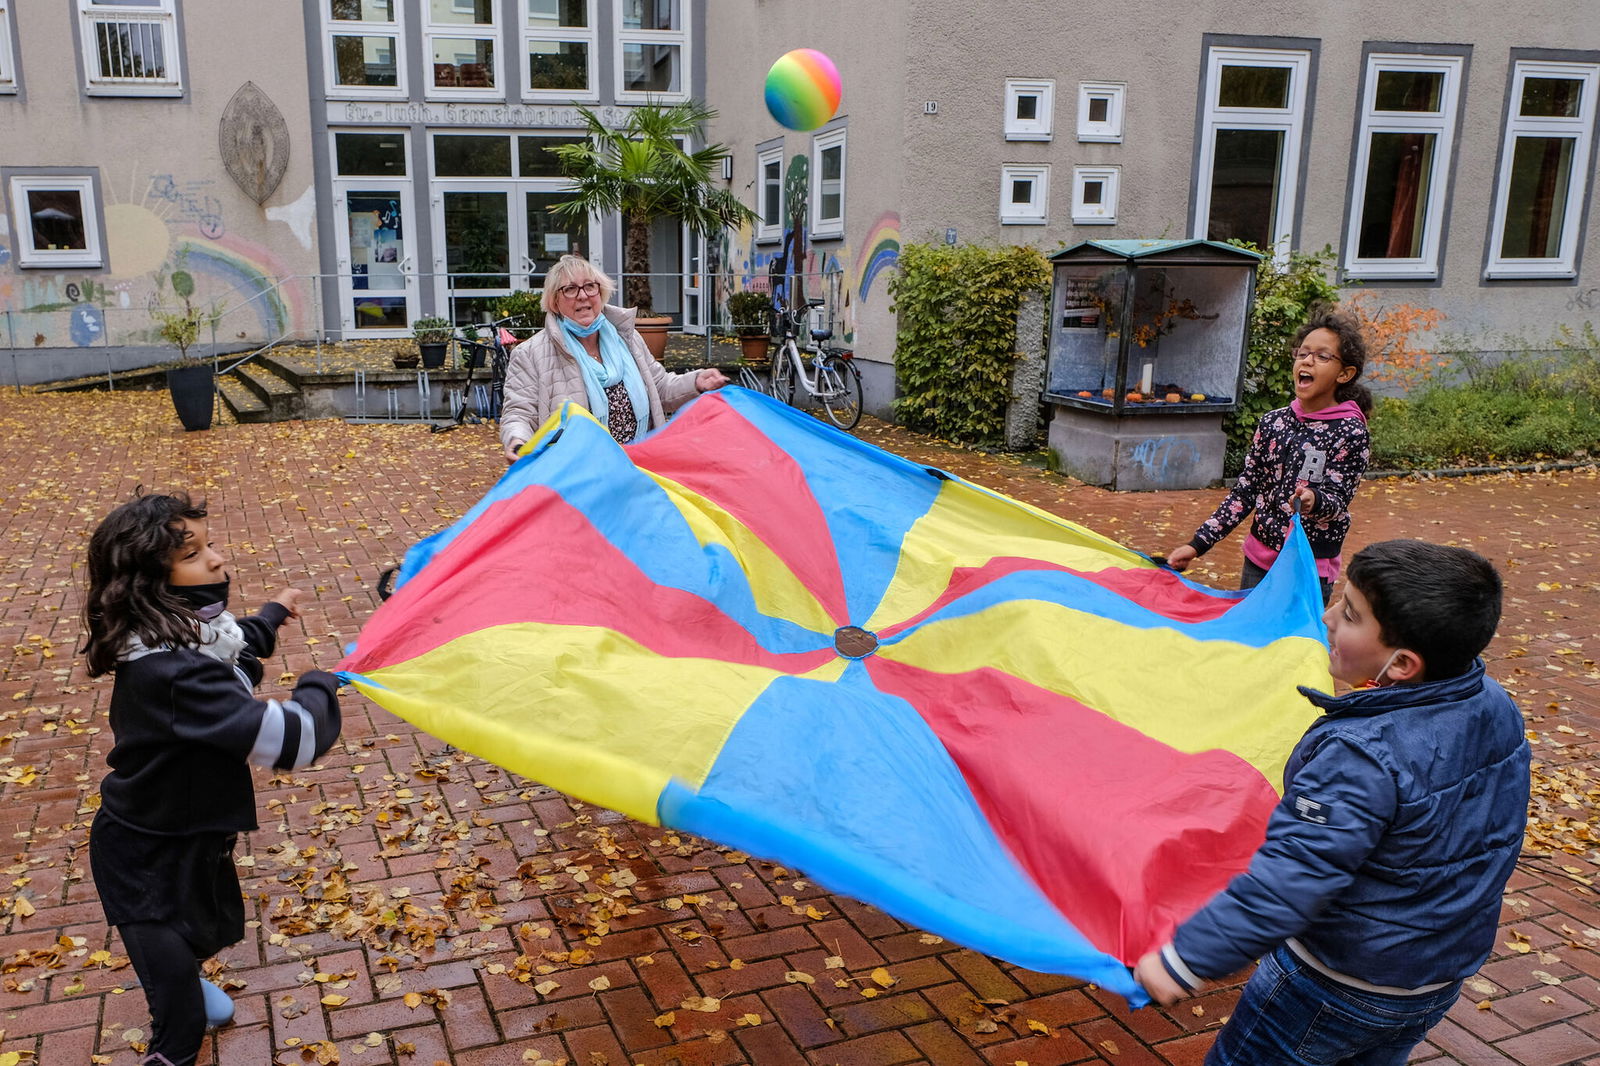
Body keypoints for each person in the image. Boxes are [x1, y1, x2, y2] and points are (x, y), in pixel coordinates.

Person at [1134, 539, 1530, 1066]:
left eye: (1349, 614)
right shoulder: (1493, 703)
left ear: (1403, 662)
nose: (1326, 617)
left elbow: (1295, 875)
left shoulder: (1360, 755)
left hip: (1332, 986)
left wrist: (1188, 959)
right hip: (1434, 977)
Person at [83, 492, 341, 1066]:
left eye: (211, 544)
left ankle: (183, 978)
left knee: (203, 929)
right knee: (180, 1020)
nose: (218, 560)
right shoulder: (172, 673)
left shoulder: (182, 639)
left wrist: (273, 612)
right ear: (153, 582)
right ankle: (173, 1037)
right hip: (141, 855)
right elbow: (294, 740)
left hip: (191, 835)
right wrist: (319, 684)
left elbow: (236, 654)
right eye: (195, 554)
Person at [1165, 309, 1372, 603]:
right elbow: (1245, 490)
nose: (1308, 360)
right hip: (1258, 562)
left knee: (1292, 647)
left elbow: (1339, 499)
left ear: (1345, 373)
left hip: (1308, 568)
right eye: (1303, 353)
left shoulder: (1350, 430)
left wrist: (1316, 500)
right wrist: (1199, 544)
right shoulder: (1273, 422)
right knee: (1251, 642)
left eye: (1322, 356)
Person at [499, 255, 729, 462]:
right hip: (576, 477)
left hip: (639, 468)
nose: (582, 296)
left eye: (590, 286)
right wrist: (517, 441)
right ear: (554, 301)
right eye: (569, 289)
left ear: (601, 292)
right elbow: (519, 413)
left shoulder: (626, 338)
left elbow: (659, 387)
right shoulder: (531, 353)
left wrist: (697, 382)